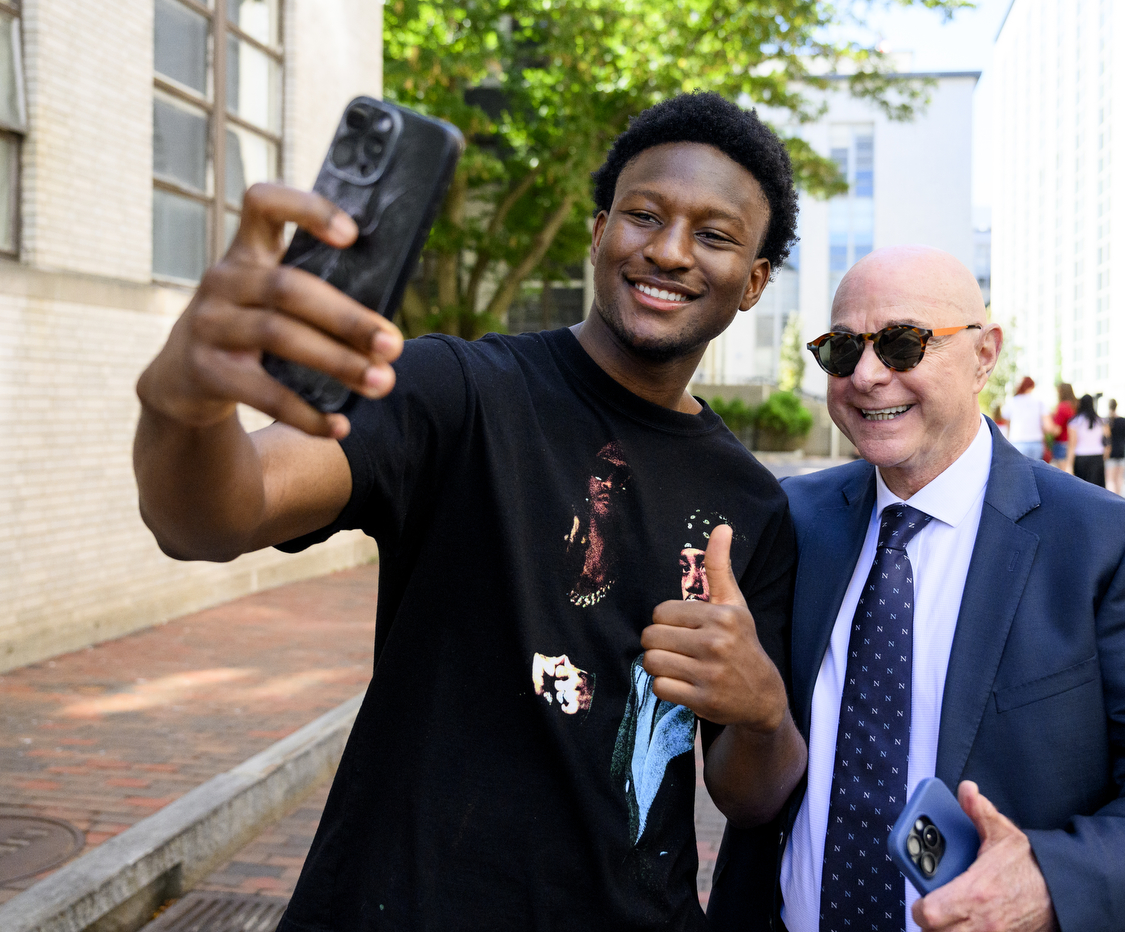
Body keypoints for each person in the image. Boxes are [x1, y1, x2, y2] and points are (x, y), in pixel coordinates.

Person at [131, 93, 810, 931]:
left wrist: (763, 709)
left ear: (752, 282)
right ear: (599, 233)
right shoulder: (455, 390)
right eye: (644, 215)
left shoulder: (752, 506)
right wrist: (183, 404)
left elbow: (749, 795)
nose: (669, 251)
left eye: (713, 234)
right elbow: (211, 518)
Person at [706, 246, 1125, 932]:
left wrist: (1049, 883)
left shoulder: (1105, 541)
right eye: (842, 350)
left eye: (903, 344)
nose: (868, 375)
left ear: (985, 355)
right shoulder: (792, 519)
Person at [1001, 375, 1049, 459]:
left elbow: (1007, 424)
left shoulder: (1011, 402)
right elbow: (1047, 426)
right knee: (1035, 471)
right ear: (1032, 386)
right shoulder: (1039, 403)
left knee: (1019, 471)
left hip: (1017, 442)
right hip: (1036, 443)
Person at [1064, 393, 1105, 487]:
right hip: (1097, 457)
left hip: (1081, 458)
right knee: (1098, 490)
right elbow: (1106, 440)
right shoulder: (1100, 421)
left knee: (1083, 489)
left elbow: (1072, 444)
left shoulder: (1075, 421)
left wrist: (1069, 464)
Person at [1104, 399, 1125, 496]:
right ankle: (1118, 497)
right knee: (1119, 478)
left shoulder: (1107, 421)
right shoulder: (1124, 421)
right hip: (1122, 451)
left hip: (1111, 452)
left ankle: (1112, 498)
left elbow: (1106, 438)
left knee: (1110, 479)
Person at [1049, 381, 1076, 470]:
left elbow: (1057, 431)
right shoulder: (1075, 406)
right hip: (1075, 443)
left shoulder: (1062, 407)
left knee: (1064, 474)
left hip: (1062, 443)